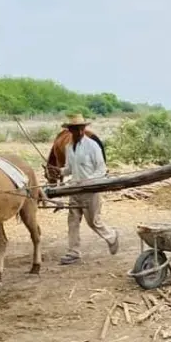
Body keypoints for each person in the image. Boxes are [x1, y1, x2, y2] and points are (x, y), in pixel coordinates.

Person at [52, 114, 119, 265]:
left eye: (80, 129)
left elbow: (101, 168)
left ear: (83, 129)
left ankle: (112, 236)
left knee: (94, 222)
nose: (78, 132)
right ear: (70, 130)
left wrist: (89, 181)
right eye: (75, 129)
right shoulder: (69, 147)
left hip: (90, 190)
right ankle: (73, 252)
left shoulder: (92, 146)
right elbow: (69, 168)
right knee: (73, 221)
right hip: (75, 189)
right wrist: (60, 171)